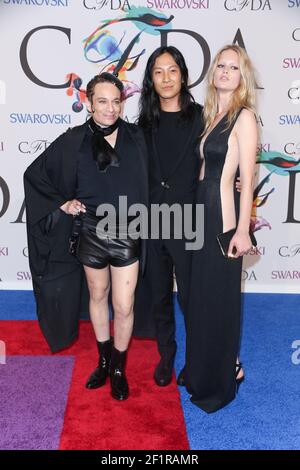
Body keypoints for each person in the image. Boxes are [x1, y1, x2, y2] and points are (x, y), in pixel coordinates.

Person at [24, 72, 149, 401]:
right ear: (89, 103)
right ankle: (104, 360)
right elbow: (34, 174)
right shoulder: (72, 140)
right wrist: (62, 202)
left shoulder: (138, 138)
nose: (110, 109)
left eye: (116, 102)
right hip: (90, 231)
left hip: (127, 232)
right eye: (103, 101)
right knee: (98, 296)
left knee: (123, 305)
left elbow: (166, 176)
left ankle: (119, 368)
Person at [185, 45, 258, 413]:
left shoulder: (244, 117)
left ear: (242, 76)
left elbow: (248, 177)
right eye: (221, 66)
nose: (226, 72)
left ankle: (225, 373)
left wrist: (241, 231)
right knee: (201, 299)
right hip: (201, 209)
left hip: (223, 218)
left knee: (219, 301)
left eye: (234, 67)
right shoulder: (213, 115)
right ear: (214, 73)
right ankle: (203, 368)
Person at [133, 46, 204, 387]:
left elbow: (217, 162)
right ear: (150, 78)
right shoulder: (143, 124)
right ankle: (166, 355)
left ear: (183, 75)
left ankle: (196, 360)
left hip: (189, 220)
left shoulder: (203, 118)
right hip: (152, 220)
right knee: (159, 295)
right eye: (158, 71)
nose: (165, 78)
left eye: (172, 70)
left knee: (192, 297)